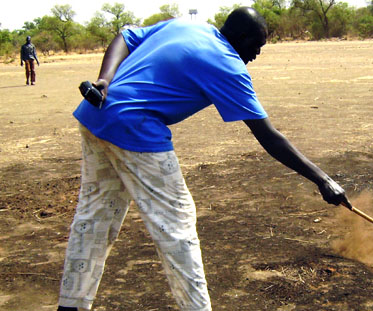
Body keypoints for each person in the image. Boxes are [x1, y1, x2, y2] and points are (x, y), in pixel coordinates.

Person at [57, 7, 349, 311]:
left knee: (95, 218)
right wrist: (322, 179)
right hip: (136, 129)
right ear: (239, 37)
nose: (257, 54)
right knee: (177, 227)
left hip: (96, 114)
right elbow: (269, 137)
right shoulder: (227, 64)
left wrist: (105, 78)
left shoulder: (189, 26)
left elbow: (126, 35)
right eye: (256, 46)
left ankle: (70, 305)